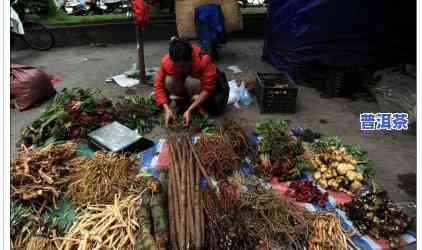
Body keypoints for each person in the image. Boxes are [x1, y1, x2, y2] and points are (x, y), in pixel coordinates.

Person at [154, 37, 229, 128]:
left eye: (183, 66)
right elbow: (158, 85)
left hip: (207, 93)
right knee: (168, 81)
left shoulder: (203, 59)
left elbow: (208, 88)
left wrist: (190, 109)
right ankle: (184, 104)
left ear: (191, 59)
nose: (180, 69)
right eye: (177, 66)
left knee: (192, 82)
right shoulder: (167, 61)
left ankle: (199, 107)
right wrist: (166, 108)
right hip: (188, 92)